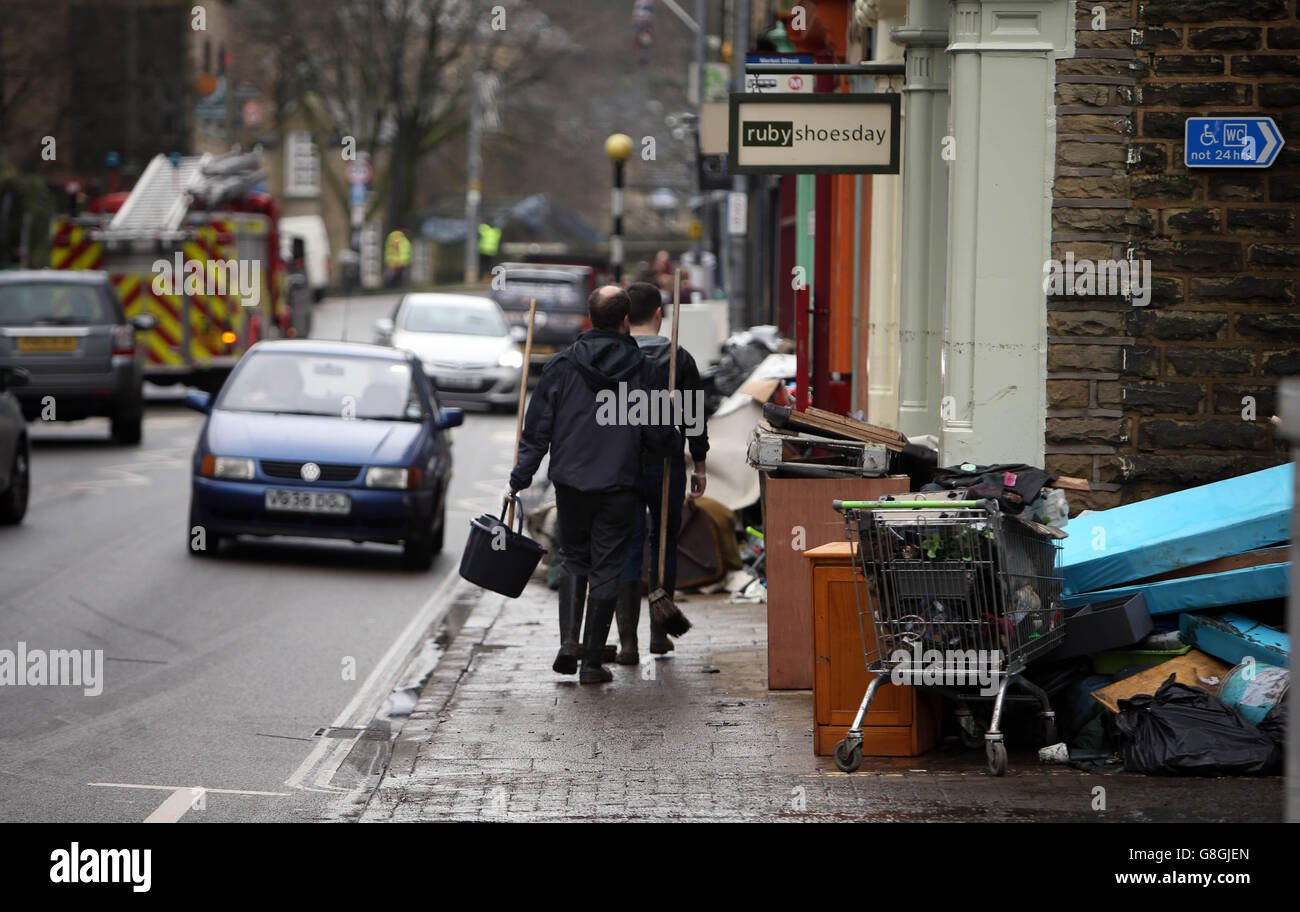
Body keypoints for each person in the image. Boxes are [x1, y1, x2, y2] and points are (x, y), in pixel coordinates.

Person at [509, 286, 673, 684]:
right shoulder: (644, 370)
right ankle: (591, 664)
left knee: (574, 558)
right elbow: (661, 436)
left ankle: (569, 643)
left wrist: (520, 478)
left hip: (571, 483)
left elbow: (537, 431)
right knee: (607, 568)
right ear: (622, 321)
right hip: (619, 484)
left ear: (589, 319)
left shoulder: (562, 367)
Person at [613, 281, 709, 664]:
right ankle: (658, 634)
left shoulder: (616, 358)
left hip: (623, 467)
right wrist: (699, 462)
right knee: (663, 543)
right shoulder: (678, 358)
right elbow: (695, 418)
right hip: (666, 465)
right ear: (659, 314)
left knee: (628, 546)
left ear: (624, 316)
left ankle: (627, 644)